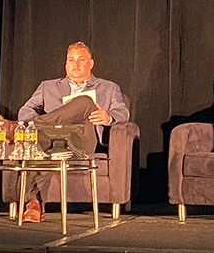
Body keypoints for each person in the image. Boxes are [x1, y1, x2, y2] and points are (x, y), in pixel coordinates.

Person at [16, 41, 130, 222]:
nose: (75, 64)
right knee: (41, 143)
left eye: (81, 60)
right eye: (71, 60)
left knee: (84, 101)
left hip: (83, 141)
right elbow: (25, 110)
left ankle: (24, 129)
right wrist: (37, 123)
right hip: (52, 140)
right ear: (65, 64)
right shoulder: (48, 86)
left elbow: (123, 112)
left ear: (91, 63)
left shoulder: (108, 88)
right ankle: (34, 204)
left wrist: (107, 117)